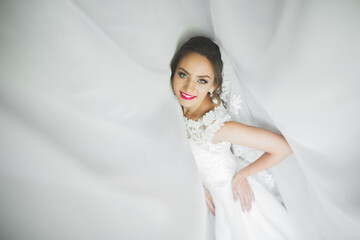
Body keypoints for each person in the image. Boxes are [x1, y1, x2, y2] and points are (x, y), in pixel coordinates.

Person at [170, 36, 298, 239]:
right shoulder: (175, 107)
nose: (188, 87)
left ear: (213, 85)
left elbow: (283, 147)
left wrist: (243, 174)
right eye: (183, 75)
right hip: (202, 197)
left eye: (201, 80)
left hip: (233, 202)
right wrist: (195, 185)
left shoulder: (217, 128)